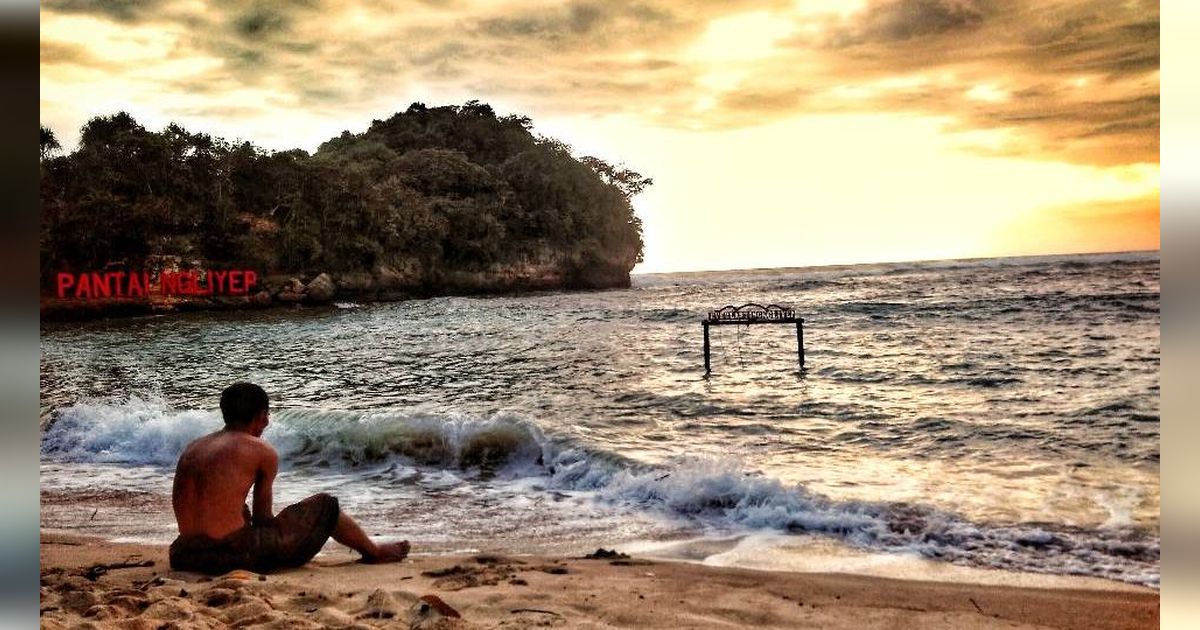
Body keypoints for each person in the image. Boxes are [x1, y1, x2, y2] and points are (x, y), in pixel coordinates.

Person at [169, 382, 409, 574]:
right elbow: (263, 519)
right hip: (228, 556)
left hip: (183, 555)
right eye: (266, 416)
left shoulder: (194, 447)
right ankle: (374, 551)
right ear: (262, 416)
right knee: (326, 506)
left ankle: (373, 550)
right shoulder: (260, 450)